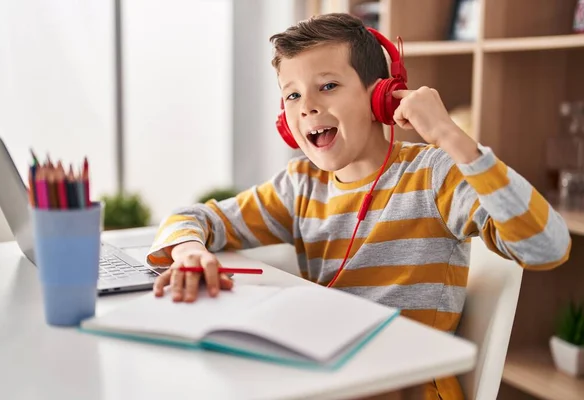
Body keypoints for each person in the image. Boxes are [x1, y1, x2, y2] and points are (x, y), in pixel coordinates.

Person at [146, 13, 571, 399]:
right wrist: (190, 251)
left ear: (380, 98)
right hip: (328, 376)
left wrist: (450, 135)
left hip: (405, 384)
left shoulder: (435, 174)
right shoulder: (300, 186)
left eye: (327, 86)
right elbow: (192, 218)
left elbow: (548, 247)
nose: (308, 105)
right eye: (292, 95)